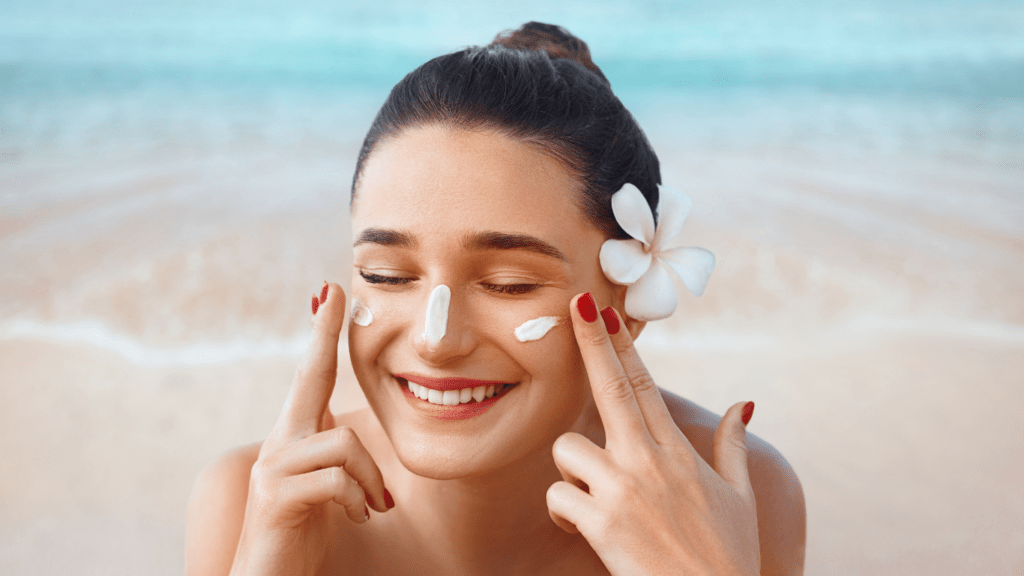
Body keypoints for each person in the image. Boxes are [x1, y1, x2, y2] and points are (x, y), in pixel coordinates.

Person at [186, 22, 806, 575]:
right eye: (386, 275)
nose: (436, 339)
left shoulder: (728, 497)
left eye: (509, 284)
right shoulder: (251, 504)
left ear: (624, 301)